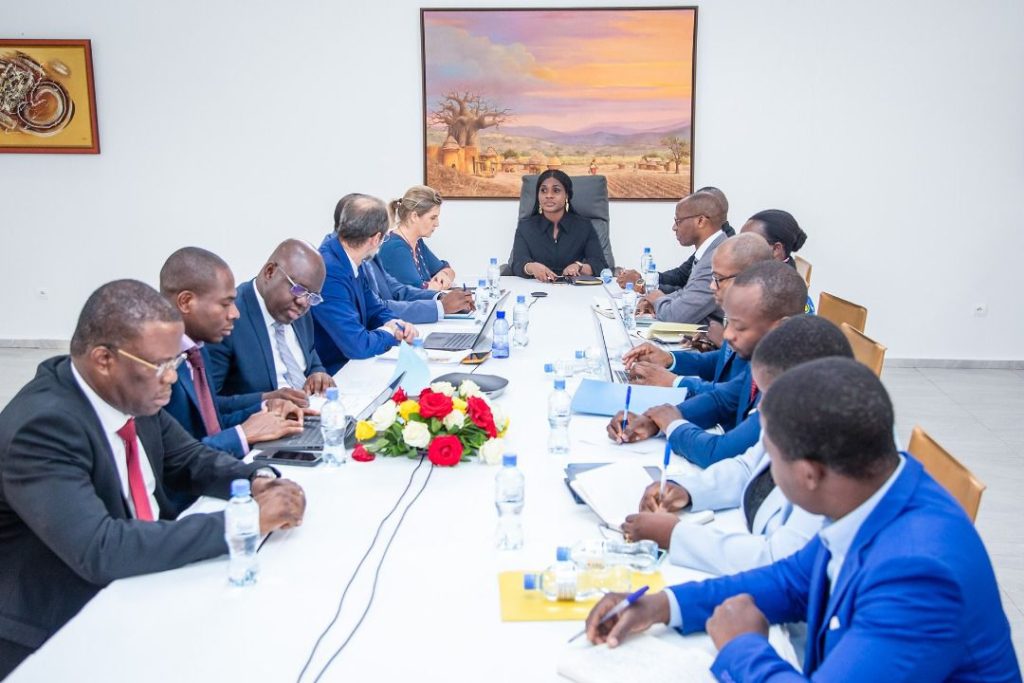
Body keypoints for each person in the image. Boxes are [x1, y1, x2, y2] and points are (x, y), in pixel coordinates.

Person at [586, 358, 1020, 682]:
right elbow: (792, 581)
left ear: (809, 473)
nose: (764, 474)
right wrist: (664, 605)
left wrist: (742, 647)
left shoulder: (918, 574)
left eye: (770, 460)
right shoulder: (875, 491)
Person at [0, 280, 306, 677]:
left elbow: (190, 460)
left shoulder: (129, 393)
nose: (172, 378)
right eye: (161, 366)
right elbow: (100, 548)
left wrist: (259, 480)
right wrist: (244, 520)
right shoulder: (43, 427)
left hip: (135, 583)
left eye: (175, 362)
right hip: (57, 628)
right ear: (104, 359)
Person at [621, 316, 854, 577]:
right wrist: (687, 490)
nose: (760, 407)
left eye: (771, 397)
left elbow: (777, 562)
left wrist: (677, 536)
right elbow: (747, 467)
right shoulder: (796, 416)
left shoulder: (836, 476)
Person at [608, 262, 808, 468]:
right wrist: (654, 420)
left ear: (780, 327)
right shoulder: (767, 359)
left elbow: (720, 452)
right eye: (728, 322)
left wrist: (673, 425)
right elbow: (721, 400)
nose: (727, 335)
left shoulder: (791, 385)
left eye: (739, 327)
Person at [159, 247, 305, 459]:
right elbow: (176, 461)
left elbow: (213, 423)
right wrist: (242, 435)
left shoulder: (196, 351)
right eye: (225, 304)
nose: (235, 314)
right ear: (186, 302)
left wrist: (266, 408)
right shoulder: (160, 368)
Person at [624, 233, 773, 387]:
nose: (712, 286)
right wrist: (669, 359)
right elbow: (722, 361)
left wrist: (674, 382)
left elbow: (730, 395)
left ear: (750, 278)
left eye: (718, 279)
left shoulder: (762, 328)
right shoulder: (740, 315)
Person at [206, 239, 335, 414]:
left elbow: (311, 356)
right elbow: (208, 405)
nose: (303, 302)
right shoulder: (227, 320)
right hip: (263, 422)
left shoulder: (298, 308)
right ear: (270, 272)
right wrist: (266, 400)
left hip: (310, 414)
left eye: (312, 296)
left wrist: (318, 373)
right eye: (298, 289)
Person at [327, 194, 474, 325]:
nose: (381, 240)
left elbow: (397, 290)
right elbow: (377, 309)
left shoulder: (366, 256)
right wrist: (440, 307)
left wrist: (440, 297)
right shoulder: (333, 268)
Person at [312, 194, 418, 374]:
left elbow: (374, 308)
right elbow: (358, 345)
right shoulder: (329, 271)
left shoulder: (352, 258)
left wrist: (396, 323)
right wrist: (390, 332)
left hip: (354, 364)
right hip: (334, 373)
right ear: (376, 239)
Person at [617, 186, 736, 294]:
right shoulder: (710, 242)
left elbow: (691, 295)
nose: (674, 227)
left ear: (702, 219)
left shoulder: (723, 251)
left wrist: (644, 286)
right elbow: (681, 276)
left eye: (678, 221)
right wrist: (643, 278)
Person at [638, 190, 728, 324]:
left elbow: (677, 317)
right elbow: (687, 292)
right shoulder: (712, 250)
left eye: (678, 221)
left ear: (700, 221)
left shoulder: (717, 257)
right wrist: (654, 299)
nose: (674, 227)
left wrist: (657, 300)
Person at [510, 169, 608, 281]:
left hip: (573, 288)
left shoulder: (584, 226)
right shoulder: (525, 227)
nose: (549, 195)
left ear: (567, 195)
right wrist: (532, 267)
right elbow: (517, 263)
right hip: (537, 286)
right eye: (543, 190)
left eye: (556, 190)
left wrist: (579, 267)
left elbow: (600, 264)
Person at [377, 185, 456, 289]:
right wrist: (433, 285)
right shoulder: (395, 248)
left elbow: (448, 270)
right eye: (433, 218)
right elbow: (420, 291)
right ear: (414, 216)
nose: (437, 224)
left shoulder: (417, 243)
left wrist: (443, 274)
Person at [742, 208, 816, 314]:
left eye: (748, 243)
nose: (739, 247)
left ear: (776, 249)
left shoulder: (786, 298)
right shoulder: (752, 277)